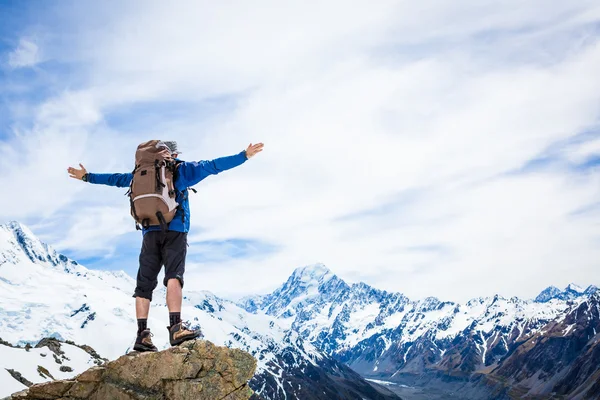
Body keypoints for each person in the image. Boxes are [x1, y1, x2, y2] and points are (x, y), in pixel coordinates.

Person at [67, 141, 264, 352]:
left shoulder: (140, 174)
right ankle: (176, 328)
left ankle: (142, 335)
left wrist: (87, 177)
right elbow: (213, 165)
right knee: (173, 276)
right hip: (176, 230)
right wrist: (244, 155)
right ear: (173, 154)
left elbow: (115, 179)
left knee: (144, 284)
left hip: (149, 231)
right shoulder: (181, 170)